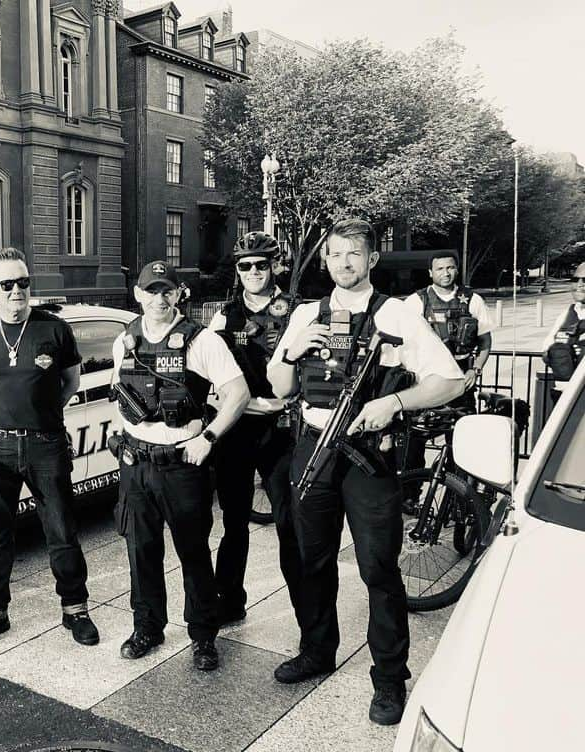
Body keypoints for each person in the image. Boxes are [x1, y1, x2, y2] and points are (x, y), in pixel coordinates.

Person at [266, 218, 464, 726]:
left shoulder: (397, 314)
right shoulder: (307, 312)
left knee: (378, 568)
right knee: (311, 561)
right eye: (334, 254)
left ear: (371, 258)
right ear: (325, 260)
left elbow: (449, 380)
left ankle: (390, 678)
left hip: (368, 455)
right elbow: (281, 386)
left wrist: (395, 402)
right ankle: (316, 651)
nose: (344, 263)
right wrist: (291, 349)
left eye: (354, 253)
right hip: (313, 448)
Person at [109, 261, 249, 671]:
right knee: (141, 551)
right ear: (138, 295)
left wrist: (207, 438)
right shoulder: (125, 340)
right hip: (137, 461)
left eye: (167, 290)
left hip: (181, 464)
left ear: (178, 294)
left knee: (192, 551)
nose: (159, 299)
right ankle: (147, 627)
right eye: (151, 291)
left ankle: (203, 635)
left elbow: (237, 393)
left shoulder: (200, 341)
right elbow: (121, 395)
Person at [0, 247, 99, 648]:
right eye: (7, 284)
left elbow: (70, 382)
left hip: (45, 446)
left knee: (61, 530)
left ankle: (75, 609)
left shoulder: (53, 329)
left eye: (23, 282)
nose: (17, 290)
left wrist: (42, 413)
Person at [208, 232, 304, 633]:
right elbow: (205, 368)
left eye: (260, 264)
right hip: (238, 425)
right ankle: (229, 601)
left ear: (275, 266)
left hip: (280, 427)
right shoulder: (224, 315)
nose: (252, 272)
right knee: (233, 521)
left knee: (289, 523)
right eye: (244, 265)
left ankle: (309, 619)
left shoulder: (298, 311)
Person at [403, 251, 494, 399]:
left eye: (450, 268)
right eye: (439, 269)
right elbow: (404, 343)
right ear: (430, 273)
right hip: (427, 377)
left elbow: (485, 340)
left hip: (462, 376)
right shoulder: (416, 301)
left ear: (457, 269)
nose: (446, 273)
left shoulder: (473, 300)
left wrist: (475, 370)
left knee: (463, 419)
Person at [541, 261, 585, 390]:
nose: (579, 285)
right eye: (575, 280)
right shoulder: (568, 313)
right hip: (563, 396)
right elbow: (547, 350)